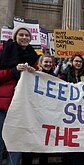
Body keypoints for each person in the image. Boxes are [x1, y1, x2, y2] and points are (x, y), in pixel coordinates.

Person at [0, 25, 39, 165]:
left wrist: (32, 72)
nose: (24, 37)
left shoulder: (34, 57)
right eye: (21, 35)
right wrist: (12, 71)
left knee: (16, 142)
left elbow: (38, 81)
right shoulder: (4, 50)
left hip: (22, 105)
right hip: (3, 105)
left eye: (27, 35)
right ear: (15, 37)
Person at [60, 54, 84, 165]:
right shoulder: (65, 73)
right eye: (76, 61)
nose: (78, 63)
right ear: (72, 62)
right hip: (69, 111)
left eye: (80, 61)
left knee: (81, 137)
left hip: (82, 111)